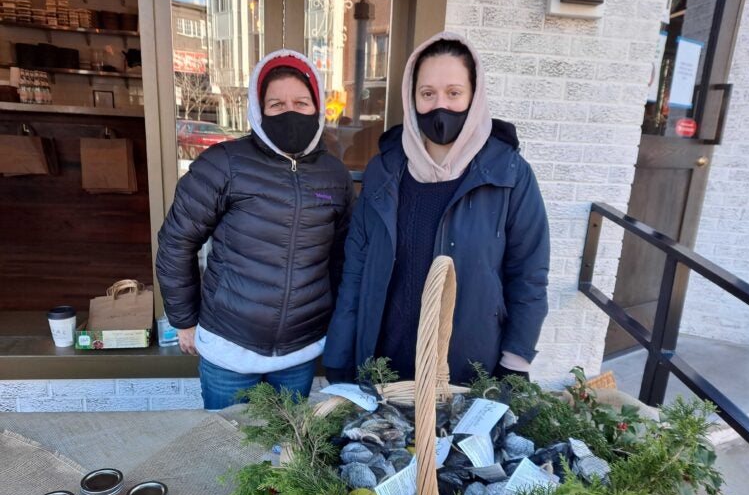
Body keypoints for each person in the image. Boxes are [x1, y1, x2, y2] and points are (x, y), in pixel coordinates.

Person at [323, 32, 549, 386]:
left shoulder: (509, 175)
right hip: (384, 366)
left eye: (454, 93)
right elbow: (356, 272)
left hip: (468, 369)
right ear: (412, 98)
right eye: (427, 93)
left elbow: (529, 276)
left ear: (474, 96)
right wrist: (338, 354)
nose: (440, 106)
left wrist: (515, 361)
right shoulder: (384, 171)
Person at [156, 50, 354, 409]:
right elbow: (176, 243)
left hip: (299, 351)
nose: (289, 111)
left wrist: (338, 324)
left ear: (318, 107)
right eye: (276, 104)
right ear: (258, 109)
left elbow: (341, 257)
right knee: (231, 453)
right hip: (230, 348)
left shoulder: (334, 175)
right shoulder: (223, 164)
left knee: (289, 456)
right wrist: (183, 321)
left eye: (301, 102)